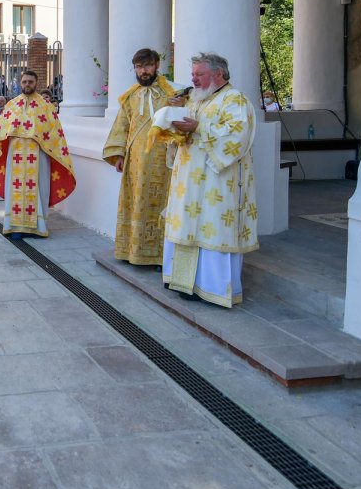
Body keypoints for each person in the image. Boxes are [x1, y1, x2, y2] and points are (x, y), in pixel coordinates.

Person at [158, 53, 258, 306]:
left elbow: (237, 138)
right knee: (187, 226)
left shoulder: (235, 100)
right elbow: (187, 133)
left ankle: (212, 287)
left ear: (218, 74)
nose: (194, 79)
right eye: (193, 75)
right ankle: (184, 282)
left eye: (199, 74)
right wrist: (174, 128)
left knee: (211, 227)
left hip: (216, 182)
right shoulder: (195, 100)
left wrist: (198, 128)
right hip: (189, 182)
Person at [103, 48, 176, 266]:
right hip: (134, 160)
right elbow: (121, 126)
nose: (143, 71)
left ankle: (157, 255)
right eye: (139, 67)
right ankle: (130, 251)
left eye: (147, 66)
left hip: (162, 160)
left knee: (158, 203)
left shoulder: (172, 93)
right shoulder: (130, 96)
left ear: (157, 66)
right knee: (133, 202)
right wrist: (118, 154)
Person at [0, 70, 75, 237]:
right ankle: (14, 224)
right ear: (20, 83)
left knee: (39, 187)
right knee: (14, 188)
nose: (27, 85)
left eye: (30, 82)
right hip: (15, 154)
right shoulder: (12, 105)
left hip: (38, 155)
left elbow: (55, 134)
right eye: (24, 82)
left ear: (36, 83)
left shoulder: (46, 107)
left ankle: (37, 226)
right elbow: (1, 130)